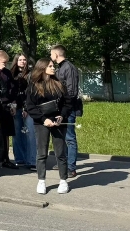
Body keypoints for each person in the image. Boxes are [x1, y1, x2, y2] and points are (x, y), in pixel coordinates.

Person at [25, 58, 74, 195]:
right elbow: (30, 107)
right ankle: (41, 181)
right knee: (42, 152)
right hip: (41, 123)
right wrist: (43, 119)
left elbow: (68, 103)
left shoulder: (59, 84)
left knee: (61, 152)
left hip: (58, 122)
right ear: (42, 68)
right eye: (50, 66)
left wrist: (62, 116)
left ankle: (63, 181)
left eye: (53, 66)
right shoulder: (33, 86)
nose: (54, 68)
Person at [51, 45, 81, 178]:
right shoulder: (60, 68)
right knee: (61, 137)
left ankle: (71, 167)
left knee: (69, 138)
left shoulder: (69, 68)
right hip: (60, 109)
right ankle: (64, 163)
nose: (50, 57)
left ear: (56, 55)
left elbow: (72, 91)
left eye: (51, 54)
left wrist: (66, 109)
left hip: (68, 109)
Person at [11, 53, 36, 169]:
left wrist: (26, 108)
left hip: (28, 108)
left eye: (24, 59)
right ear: (16, 61)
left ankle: (31, 160)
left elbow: (30, 93)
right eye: (20, 59)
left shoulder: (30, 74)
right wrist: (13, 106)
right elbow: (11, 93)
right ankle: (19, 158)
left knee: (29, 133)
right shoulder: (11, 74)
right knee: (17, 134)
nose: (22, 61)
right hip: (16, 108)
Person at [0, 50, 19, 169]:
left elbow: (12, 90)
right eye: (3, 62)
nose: (5, 64)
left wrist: (13, 104)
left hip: (7, 106)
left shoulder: (7, 73)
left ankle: (6, 159)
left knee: (6, 134)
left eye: (7, 62)